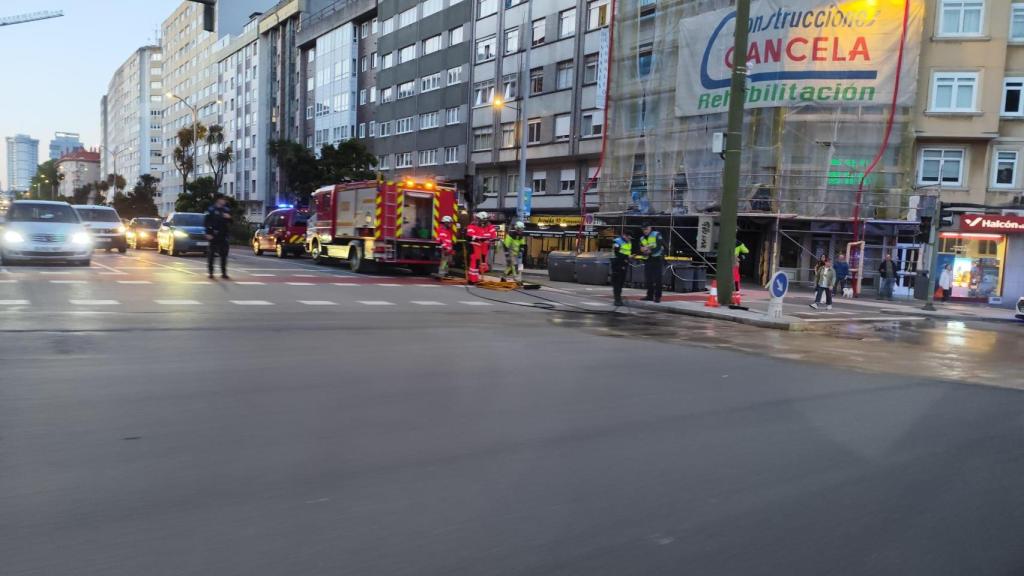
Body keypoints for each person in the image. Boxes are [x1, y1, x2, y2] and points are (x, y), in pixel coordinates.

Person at [204, 196, 232, 279]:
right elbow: (206, 222)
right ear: (218, 200)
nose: (224, 202)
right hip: (213, 235)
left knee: (224, 255)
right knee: (211, 255)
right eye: (223, 200)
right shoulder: (211, 210)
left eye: (225, 200)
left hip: (223, 235)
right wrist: (207, 233)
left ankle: (224, 273)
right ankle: (211, 272)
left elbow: (231, 222)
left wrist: (229, 217)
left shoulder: (226, 210)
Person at [465, 211, 497, 283]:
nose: (485, 222)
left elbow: (493, 235)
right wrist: (479, 238)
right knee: (475, 262)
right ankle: (472, 279)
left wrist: (493, 239)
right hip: (474, 247)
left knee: (481, 263)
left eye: (486, 220)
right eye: (483, 220)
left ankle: (477, 277)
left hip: (484, 248)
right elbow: (469, 236)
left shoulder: (489, 227)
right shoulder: (472, 226)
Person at [639, 221, 665, 303]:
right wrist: (642, 250)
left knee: (657, 279)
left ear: (650, 228)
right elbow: (641, 247)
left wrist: (650, 251)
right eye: (643, 229)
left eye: (646, 229)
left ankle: (657, 297)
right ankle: (649, 295)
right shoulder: (642, 238)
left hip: (657, 259)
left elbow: (660, 245)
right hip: (648, 259)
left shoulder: (656, 234)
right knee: (648, 279)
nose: (645, 231)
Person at [611, 228, 634, 306]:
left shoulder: (629, 242)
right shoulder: (617, 241)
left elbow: (627, 252)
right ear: (624, 235)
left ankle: (618, 298)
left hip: (624, 264)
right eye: (628, 237)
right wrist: (627, 257)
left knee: (621, 282)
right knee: (617, 282)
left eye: (630, 238)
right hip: (616, 264)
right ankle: (617, 299)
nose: (629, 239)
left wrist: (629, 258)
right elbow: (617, 253)